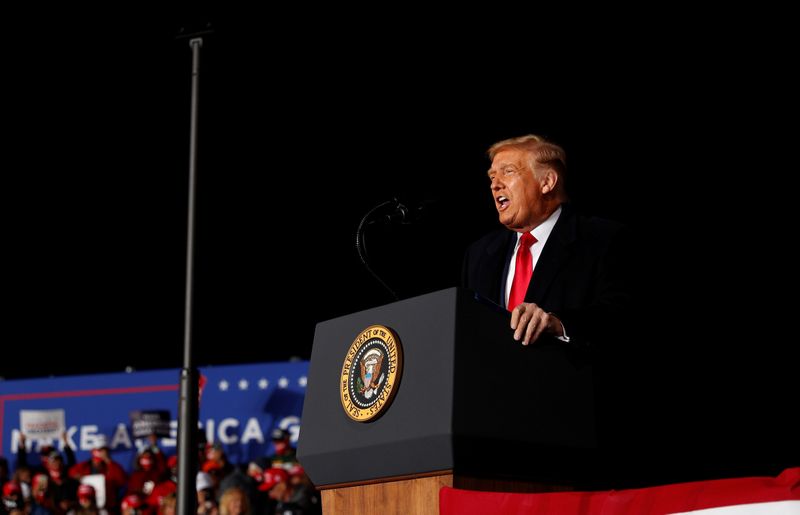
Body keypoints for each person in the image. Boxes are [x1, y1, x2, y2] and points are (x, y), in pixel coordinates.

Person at [462, 134, 631, 348]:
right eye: (492, 177)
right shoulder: (478, 255)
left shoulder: (602, 238)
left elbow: (619, 315)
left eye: (508, 172)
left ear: (547, 182)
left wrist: (558, 323)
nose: (495, 185)